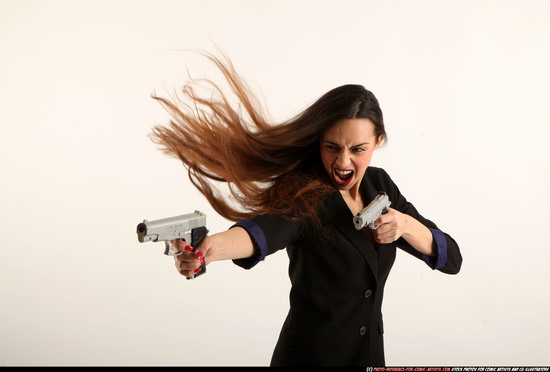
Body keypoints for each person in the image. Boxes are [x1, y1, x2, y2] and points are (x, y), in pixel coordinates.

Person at [150, 52, 462, 366]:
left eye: (357, 149)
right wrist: (208, 250)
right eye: (332, 147)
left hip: (367, 357)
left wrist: (406, 225)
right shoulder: (305, 193)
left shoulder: (381, 186)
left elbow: (452, 259)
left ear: (377, 142)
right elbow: (265, 229)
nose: (342, 162)